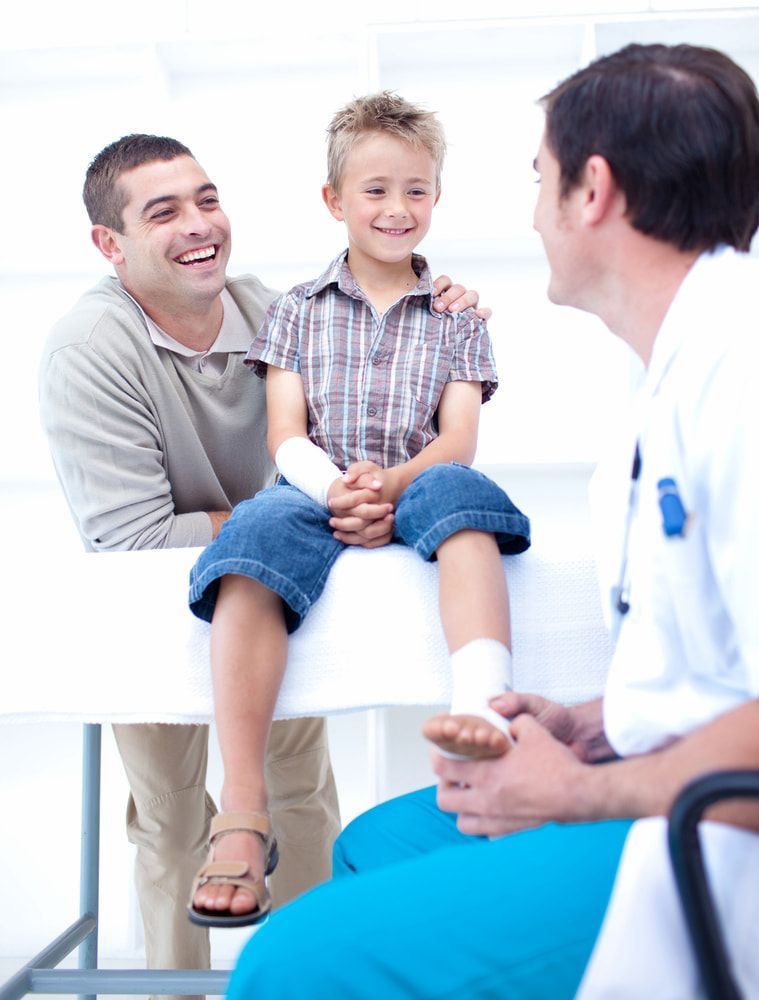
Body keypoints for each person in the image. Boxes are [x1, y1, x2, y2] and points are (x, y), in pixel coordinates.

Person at [225, 42, 759, 999]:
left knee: (285, 961)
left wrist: (582, 789)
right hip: (662, 773)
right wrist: (589, 725)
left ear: (592, 191)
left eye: (538, 178)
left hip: (711, 842)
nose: (531, 212)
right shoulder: (673, 372)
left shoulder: (741, 374)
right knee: (374, 846)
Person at [38, 132, 485, 995]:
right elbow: (132, 539)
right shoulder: (87, 350)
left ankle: (311, 978)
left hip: (269, 595)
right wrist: (288, 514)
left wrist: (441, 304)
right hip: (153, 602)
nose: (199, 224)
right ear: (110, 243)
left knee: (300, 786)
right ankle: (175, 985)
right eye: (163, 212)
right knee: (171, 817)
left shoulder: (277, 314)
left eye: (206, 200)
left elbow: (361, 405)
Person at [186, 92, 530, 928]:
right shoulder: (296, 310)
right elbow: (284, 432)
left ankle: (482, 715)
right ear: (333, 200)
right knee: (252, 539)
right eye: (374, 190)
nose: (395, 207)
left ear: (436, 197)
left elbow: (457, 440)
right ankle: (243, 809)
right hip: (315, 487)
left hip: (421, 476)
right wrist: (334, 489)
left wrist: (394, 485)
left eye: (416, 189)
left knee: (464, 498)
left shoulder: (456, 317)